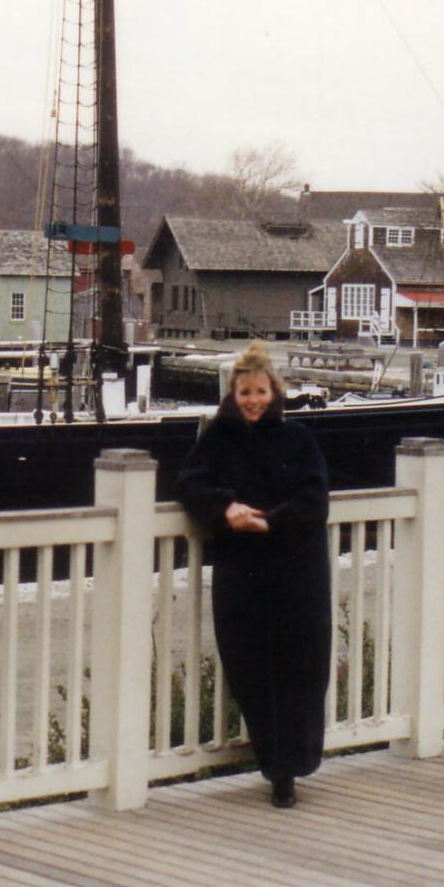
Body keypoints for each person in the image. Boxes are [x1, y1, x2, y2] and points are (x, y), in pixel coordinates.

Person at [175, 340, 331, 808]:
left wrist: (270, 520)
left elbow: (315, 500)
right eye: (244, 392)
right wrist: (226, 508)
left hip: (296, 575)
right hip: (243, 575)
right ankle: (273, 763)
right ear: (232, 394)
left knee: (299, 671)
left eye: (261, 391)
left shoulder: (300, 439)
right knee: (252, 669)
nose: (253, 401)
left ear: (275, 391)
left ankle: (290, 771)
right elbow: (189, 484)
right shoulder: (216, 439)